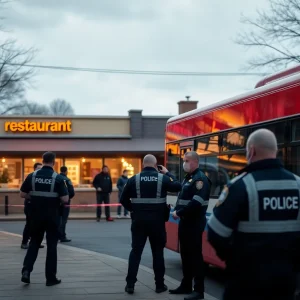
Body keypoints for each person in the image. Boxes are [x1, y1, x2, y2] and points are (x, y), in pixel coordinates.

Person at [207, 129, 300, 300]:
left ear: (251, 151)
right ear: (276, 152)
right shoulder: (297, 184)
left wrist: (233, 259)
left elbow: (215, 233)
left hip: (246, 282)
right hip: (286, 281)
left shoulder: (240, 185)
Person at [121, 154, 181, 294]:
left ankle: (130, 284)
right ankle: (159, 285)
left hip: (138, 222)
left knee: (135, 252)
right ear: (156, 166)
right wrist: (168, 173)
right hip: (157, 223)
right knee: (158, 253)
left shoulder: (133, 179)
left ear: (143, 165)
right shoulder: (163, 178)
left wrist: (133, 209)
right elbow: (178, 186)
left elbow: (123, 199)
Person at [20, 152, 69, 286]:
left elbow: (22, 194)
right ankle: (50, 278)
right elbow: (65, 199)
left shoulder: (32, 175)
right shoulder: (58, 178)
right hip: (52, 217)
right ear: (53, 162)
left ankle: (26, 271)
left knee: (34, 243)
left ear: (43, 160)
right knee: (52, 246)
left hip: (35, 216)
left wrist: (35, 198)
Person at [169, 151, 211, 300]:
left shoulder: (200, 180)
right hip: (185, 222)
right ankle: (186, 285)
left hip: (194, 223)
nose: (184, 163)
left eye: (186, 161)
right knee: (185, 255)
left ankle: (199, 290)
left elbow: (196, 203)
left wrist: (179, 213)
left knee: (195, 257)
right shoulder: (189, 178)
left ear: (194, 162)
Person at [21, 162, 44, 250]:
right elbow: (22, 194)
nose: (39, 170)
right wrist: (33, 197)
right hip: (30, 205)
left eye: (41, 169)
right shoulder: (30, 177)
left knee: (39, 225)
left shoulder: (42, 179)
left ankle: (35, 242)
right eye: (38, 168)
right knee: (29, 224)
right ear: (34, 169)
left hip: (40, 206)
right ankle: (24, 242)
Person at [59, 166, 75, 242]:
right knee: (63, 220)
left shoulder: (57, 178)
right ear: (66, 171)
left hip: (57, 202)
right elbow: (71, 192)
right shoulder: (67, 180)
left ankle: (56, 235)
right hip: (65, 202)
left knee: (57, 219)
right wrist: (68, 198)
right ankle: (62, 236)